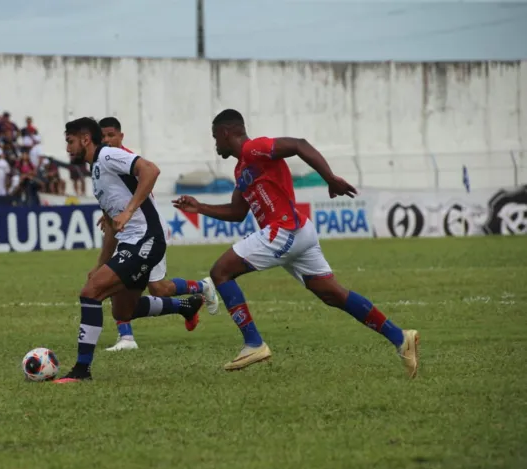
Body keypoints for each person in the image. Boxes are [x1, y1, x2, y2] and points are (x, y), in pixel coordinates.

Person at [173, 109, 420, 377]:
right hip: (299, 232)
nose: (215, 145)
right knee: (333, 294)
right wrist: (200, 207)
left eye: (215, 138)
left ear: (225, 132)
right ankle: (400, 338)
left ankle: (254, 343)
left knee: (220, 272)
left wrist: (331, 178)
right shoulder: (241, 168)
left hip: (284, 230)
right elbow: (237, 212)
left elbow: (299, 145)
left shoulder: (254, 149)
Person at [55, 117, 205, 383]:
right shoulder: (96, 174)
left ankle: (81, 371)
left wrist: (130, 209)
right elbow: (113, 227)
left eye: (70, 141)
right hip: (131, 242)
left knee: (90, 294)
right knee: (123, 312)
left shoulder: (108, 155)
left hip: (145, 240)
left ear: (85, 139)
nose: (67, 148)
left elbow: (151, 170)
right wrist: (100, 264)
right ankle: (186, 304)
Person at [99, 116, 220, 352]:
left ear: (121, 137)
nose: (106, 140)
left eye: (111, 135)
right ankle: (127, 337)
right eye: (102, 136)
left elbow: (148, 178)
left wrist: (127, 210)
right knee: (116, 281)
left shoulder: (123, 158)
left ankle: (201, 287)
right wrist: (110, 213)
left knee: (158, 289)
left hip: (146, 229)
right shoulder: (102, 160)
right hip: (127, 230)